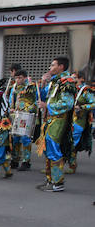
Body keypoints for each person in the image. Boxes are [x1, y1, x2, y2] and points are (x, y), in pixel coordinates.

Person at [37, 56, 76, 192]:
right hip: (51, 120)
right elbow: (45, 97)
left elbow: (67, 103)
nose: (50, 67)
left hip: (59, 120)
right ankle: (51, 179)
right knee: (49, 148)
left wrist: (46, 105)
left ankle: (58, 182)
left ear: (61, 67)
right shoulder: (56, 82)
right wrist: (43, 84)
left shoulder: (67, 82)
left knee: (53, 149)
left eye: (53, 65)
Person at [9, 69, 37, 171]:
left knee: (25, 138)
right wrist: (11, 108)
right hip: (16, 114)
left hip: (26, 115)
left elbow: (35, 101)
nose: (17, 80)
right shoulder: (14, 87)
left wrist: (28, 109)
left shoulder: (31, 87)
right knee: (15, 137)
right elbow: (12, 99)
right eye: (16, 78)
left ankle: (26, 161)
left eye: (20, 77)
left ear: (25, 77)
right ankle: (15, 159)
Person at [67, 73, 94, 173]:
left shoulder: (86, 91)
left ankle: (72, 165)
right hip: (69, 120)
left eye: (75, 78)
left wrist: (82, 107)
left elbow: (93, 103)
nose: (72, 80)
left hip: (79, 121)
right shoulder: (72, 90)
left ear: (81, 79)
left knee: (72, 143)